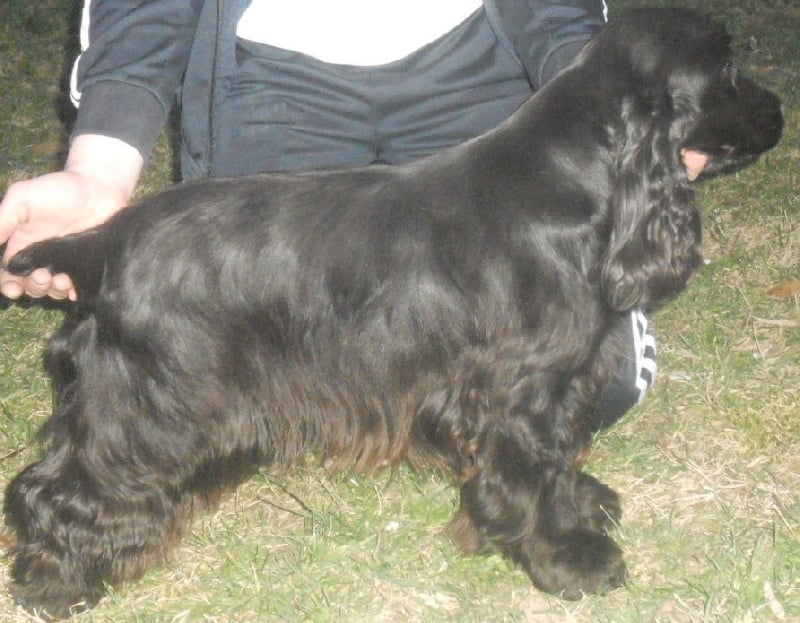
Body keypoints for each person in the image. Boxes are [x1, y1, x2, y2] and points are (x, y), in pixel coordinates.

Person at [0, 0, 655, 424]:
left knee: (587, 383)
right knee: (221, 381)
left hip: (474, 62)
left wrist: (614, 111)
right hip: (273, 72)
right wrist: (98, 171)